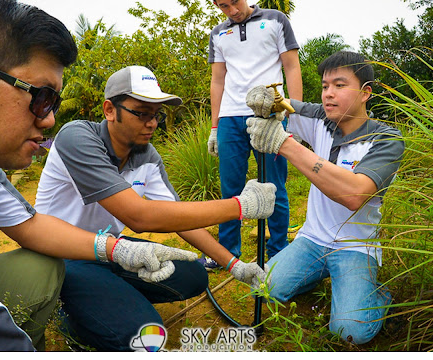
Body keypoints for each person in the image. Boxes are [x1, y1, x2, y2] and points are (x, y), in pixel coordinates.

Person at [0, 0, 199, 352]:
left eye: (54, 103)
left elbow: (30, 225)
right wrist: (240, 206)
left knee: (49, 269)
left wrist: (115, 249)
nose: (49, 119)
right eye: (41, 97)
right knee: (141, 334)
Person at [35, 65, 275, 351]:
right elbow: (137, 216)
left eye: (156, 114)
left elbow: (176, 215)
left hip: (112, 249)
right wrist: (240, 206)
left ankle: (106, 296)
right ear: (110, 110)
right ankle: (70, 311)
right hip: (62, 255)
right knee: (145, 336)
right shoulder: (77, 139)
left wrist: (233, 264)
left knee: (194, 275)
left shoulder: (146, 155)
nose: (151, 123)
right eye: (141, 112)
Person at [245, 51, 405, 344]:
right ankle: (315, 274)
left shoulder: (386, 140)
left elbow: (354, 194)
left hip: (355, 248)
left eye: (340, 85)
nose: (329, 94)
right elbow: (283, 105)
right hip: (311, 240)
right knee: (263, 289)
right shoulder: (321, 116)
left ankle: (378, 295)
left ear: (365, 93)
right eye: (324, 86)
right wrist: (264, 98)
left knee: (350, 332)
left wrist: (285, 145)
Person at [205, 0, 302, 270]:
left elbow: (292, 68)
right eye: (223, 6)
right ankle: (226, 253)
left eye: (235, 1)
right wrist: (214, 127)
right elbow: (218, 80)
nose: (232, 10)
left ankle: (278, 252)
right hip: (231, 117)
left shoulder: (275, 20)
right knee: (230, 188)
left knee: (275, 186)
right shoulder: (218, 34)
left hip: (270, 114)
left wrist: (294, 119)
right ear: (216, 6)